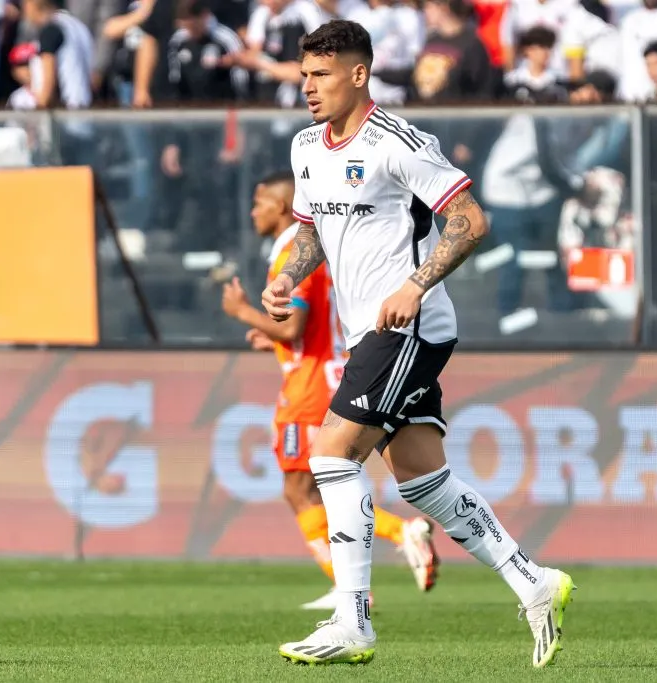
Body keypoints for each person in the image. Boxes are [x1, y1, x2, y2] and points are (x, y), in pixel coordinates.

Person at [262, 19, 575, 668]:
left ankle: (354, 620)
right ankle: (533, 581)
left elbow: (470, 221)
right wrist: (289, 280)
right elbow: (312, 231)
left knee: (330, 456)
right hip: (365, 335)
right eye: (303, 75)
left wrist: (413, 283)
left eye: (321, 75)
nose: (309, 88)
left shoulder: (398, 142)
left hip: (408, 326)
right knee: (422, 479)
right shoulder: (305, 149)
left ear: (359, 73)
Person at [221, 170, 441, 611]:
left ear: (282, 207)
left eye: (260, 202)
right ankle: (364, 572)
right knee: (320, 486)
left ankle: (376, 562)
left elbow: (296, 321)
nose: (253, 211)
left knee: (301, 490)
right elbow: (308, 327)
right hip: (322, 372)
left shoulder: (290, 251)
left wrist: (244, 311)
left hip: (309, 388)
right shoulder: (312, 249)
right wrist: (280, 340)